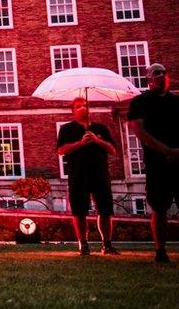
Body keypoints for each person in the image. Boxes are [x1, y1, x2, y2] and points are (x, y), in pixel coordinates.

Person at [127, 63, 179, 263]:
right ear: (148, 78)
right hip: (157, 163)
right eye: (156, 73)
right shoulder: (140, 102)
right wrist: (166, 150)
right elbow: (139, 131)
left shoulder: (176, 102)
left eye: (164, 72)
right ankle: (160, 251)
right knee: (159, 207)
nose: (162, 75)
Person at [57, 98, 119, 255]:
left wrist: (97, 140)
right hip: (78, 174)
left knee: (105, 210)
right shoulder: (66, 129)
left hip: (100, 173)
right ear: (73, 111)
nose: (82, 108)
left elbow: (113, 150)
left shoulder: (100, 128)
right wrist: (81, 143)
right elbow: (61, 150)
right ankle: (83, 244)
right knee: (79, 211)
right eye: (78, 107)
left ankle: (107, 244)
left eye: (84, 105)